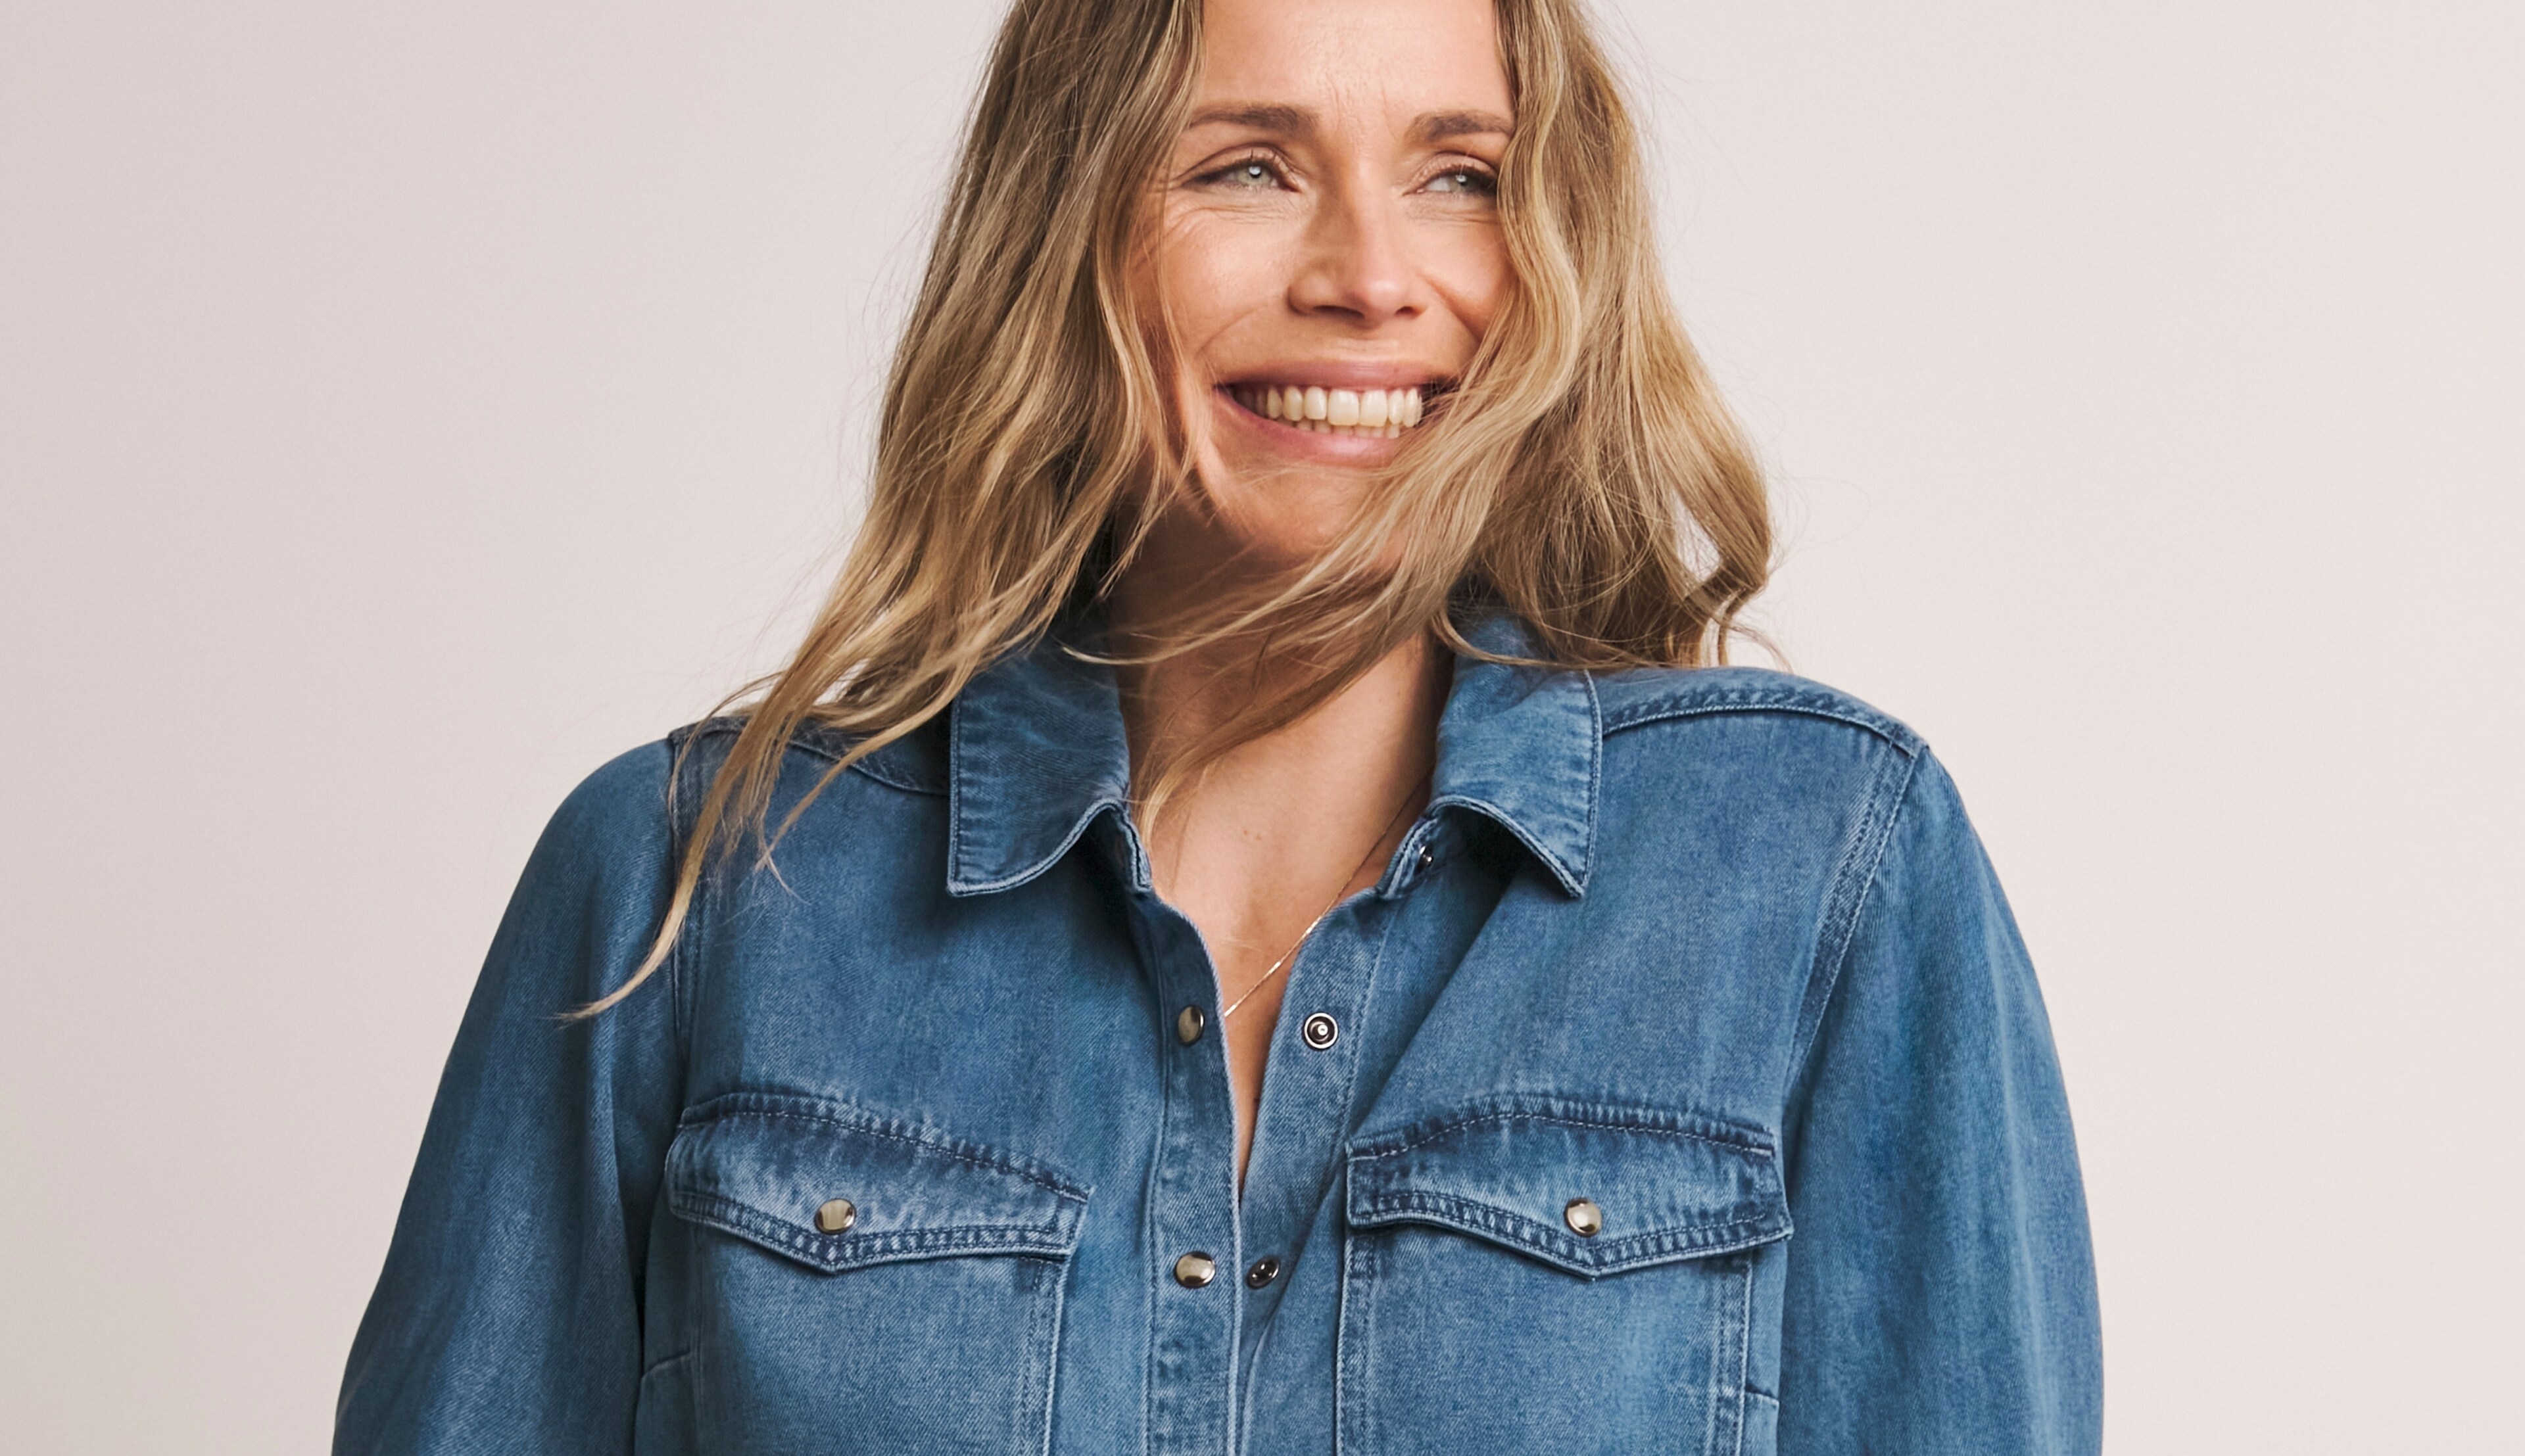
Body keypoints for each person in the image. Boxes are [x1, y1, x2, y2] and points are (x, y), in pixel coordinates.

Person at [335, 0, 2102, 1450]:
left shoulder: (1820, 878)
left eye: (1460, 177)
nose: (1372, 274)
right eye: (1251, 166)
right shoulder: (692, 889)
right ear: (1069, 224)